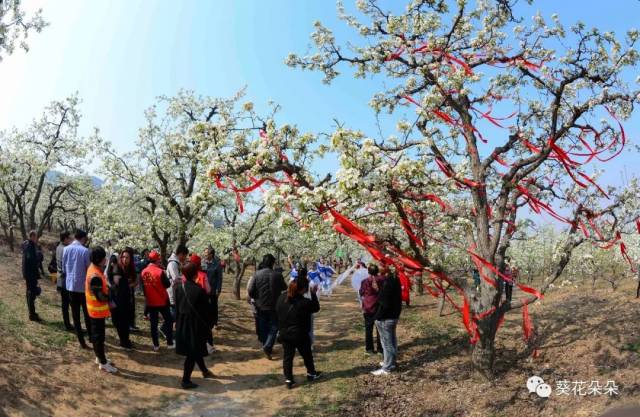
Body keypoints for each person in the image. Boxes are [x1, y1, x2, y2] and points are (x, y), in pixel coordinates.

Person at [276, 270, 322, 389]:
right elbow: (316, 308)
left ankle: (288, 379)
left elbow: (276, 312)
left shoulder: (281, 298)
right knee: (307, 354)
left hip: (285, 333)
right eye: (306, 288)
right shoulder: (304, 302)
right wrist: (313, 294)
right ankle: (311, 373)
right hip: (300, 333)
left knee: (288, 357)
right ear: (302, 289)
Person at [175, 261, 215, 389]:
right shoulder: (199, 290)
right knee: (192, 352)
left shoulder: (179, 288)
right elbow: (206, 311)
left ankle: (204, 371)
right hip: (195, 325)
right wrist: (210, 324)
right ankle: (185, 380)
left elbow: (176, 307)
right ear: (196, 274)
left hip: (182, 323)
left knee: (195, 349)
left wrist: (176, 322)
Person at [85, 246, 118, 373]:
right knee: (98, 337)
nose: (106, 260)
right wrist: (111, 293)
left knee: (98, 336)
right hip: (96, 311)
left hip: (96, 311)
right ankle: (103, 363)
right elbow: (100, 297)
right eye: (104, 258)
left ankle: (100, 358)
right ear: (99, 259)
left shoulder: (94, 269)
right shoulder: (95, 275)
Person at [248, 253, 287, 359]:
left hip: (260, 305)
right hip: (274, 305)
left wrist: (256, 298)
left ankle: (267, 346)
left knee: (263, 326)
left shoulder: (257, 274)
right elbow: (284, 287)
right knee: (274, 327)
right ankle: (268, 346)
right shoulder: (277, 275)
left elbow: (251, 291)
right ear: (272, 263)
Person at [63, 229, 92, 348]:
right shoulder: (85, 251)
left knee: (75, 315)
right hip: (83, 287)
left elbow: (64, 269)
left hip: (70, 286)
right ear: (83, 238)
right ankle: (91, 337)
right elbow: (89, 270)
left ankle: (81, 341)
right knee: (87, 313)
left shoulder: (66, 249)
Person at [141, 250, 174, 351]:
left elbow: (143, 288)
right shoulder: (160, 272)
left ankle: (156, 345)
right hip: (162, 300)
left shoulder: (143, 272)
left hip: (151, 301)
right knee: (168, 321)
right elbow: (168, 285)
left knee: (153, 324)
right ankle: (169, 343)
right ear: (157, 260)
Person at [371, 270, 402, 376]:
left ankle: (387, 367)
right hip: (393, 316)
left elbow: (384, 302)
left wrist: (377, 317)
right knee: (392, 341)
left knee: (387, 343)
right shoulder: (395, 279)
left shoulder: (389, 282)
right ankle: (390, 362)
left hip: (386, 318)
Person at [107, 248, 135, 349]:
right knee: (120, 322)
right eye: (123, 257)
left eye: (127, 257)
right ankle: (124, 342)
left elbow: (133, 283)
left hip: (125, 299)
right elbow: (115, 286)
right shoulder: (117, 268)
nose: (124, 259)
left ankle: (125, 340)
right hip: (117, 300)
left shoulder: (128, 268)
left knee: (125, 321)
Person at [189, 254, 215, 354]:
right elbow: (208, 290)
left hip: (190, 304)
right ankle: (209, 345)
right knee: (205, 325)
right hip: (202, 305)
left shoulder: (185, 275)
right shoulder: (203, 275)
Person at [359, 264, 383, 355]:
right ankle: (381, 349)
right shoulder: (382, 280)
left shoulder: (365, 281)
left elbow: (361, 293)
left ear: (368, 272)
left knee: (368, 329)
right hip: (379, 307)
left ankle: (369, 349)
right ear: (378, 271)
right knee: (380, 329)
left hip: (368, 307)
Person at [55, 231, 74, 328]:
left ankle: (67, 323)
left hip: (60, 279)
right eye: (69, 238)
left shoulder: (58, 247)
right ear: (65, 239)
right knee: (67, 303)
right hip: (65, 279)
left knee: (65, 303)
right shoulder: (65, 249)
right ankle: (68, 324)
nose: (71, 240)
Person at [22, 230, 42, 322]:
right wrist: (38, 257)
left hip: (28, 273)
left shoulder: (27, 244)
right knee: (31, 293)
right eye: (35, 237)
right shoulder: (29, 246)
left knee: (30, 293)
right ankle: (32, 314)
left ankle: (32, 312)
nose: (36, 239)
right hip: (30, 274)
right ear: (32, 237)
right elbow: (30, 260)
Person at [167, 245, 189, 319]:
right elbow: (176, 279)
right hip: (172, 291)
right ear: (180, 254)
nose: (185, 258)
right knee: (173, 312)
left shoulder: (176, 263)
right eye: (184, 256)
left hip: (176, 290)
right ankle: (165, 328)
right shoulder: (173, 264)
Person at [203, 247, 221, 329]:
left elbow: (219, 278)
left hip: (213, 289)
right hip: (204, 289)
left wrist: (218, 289)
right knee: (205, 306)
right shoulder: (203, 263)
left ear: (211, 254)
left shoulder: (217, 264)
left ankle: (215, 322)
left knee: (214, 306)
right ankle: (206, 321)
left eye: (206, 253)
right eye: (205, 253)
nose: (205, 254)